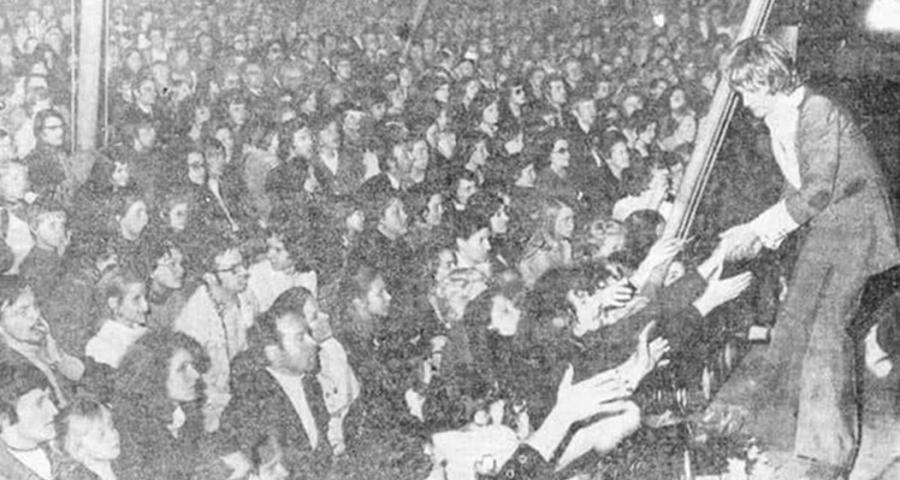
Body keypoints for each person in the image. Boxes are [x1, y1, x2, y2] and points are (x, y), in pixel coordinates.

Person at [710, 36, 900, 480]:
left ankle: (830, 456)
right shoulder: (783, 117)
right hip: (829, 229)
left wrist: (758, 231)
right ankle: (778, 433)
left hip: (854, 231)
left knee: (826, 335)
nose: (744, 102)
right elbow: (795, 188)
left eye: (746, 90)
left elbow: (816, 190)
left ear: (767, 79)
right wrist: (757, 233)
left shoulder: (817, 111)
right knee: (794, 323)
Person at [0, 362, 62, 480]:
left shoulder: (60, 454)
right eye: (39, 403)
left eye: (49, 399)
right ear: (4, 417)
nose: (54, 411)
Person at [55, 397, 121, 480]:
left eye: (111, 426)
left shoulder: (115, 466)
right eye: (101, 435)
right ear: (78, 451)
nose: (113, 435)